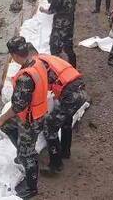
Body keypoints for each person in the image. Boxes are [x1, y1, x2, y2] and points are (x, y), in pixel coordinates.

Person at [0, 37, 48, 198]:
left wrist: (1, 118)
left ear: (14, 55)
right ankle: (22, 150)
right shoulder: (37, 62)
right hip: (37, 113)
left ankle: (32, 188)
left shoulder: (26, 77)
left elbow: (18, 107)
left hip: (31, 119)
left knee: (28, 154)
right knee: (9, 126)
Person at [30, 46, 88, 175]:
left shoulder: (38, 64)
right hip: (79, 89)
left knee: (49, 127)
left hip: (70, 95)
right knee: (66, 120)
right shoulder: (46, 58)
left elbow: (39, 90)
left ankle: (55, 165)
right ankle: (65, 152)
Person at [40, 0, 77, 67]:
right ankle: (73, 67)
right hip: (70, 22)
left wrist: (43, 10)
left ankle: (58, 69)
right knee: (69, 47)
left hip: (59, 25)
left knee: (54, 48)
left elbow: (51, 11)